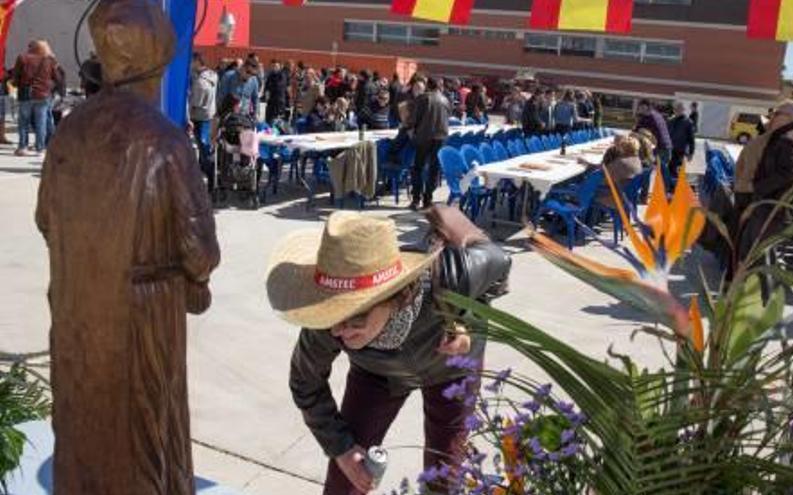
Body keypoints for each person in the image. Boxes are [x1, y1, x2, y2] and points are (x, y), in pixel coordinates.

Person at [37, 1, 220, 492]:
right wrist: (193, 281)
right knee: (145, 434)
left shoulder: (69, 131)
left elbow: (44, 220)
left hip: (76, 310)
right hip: (144, 319)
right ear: (159, 62)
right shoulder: (166, 140)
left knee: (83, 421)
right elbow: (200, 251)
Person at [267, 206, 511, 495]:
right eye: (333, 316)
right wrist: (342, 451)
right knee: (345, 481)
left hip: (450, 370)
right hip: (376, 375)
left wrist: (467, 328)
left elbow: (500, 266)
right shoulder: (326, 322)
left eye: (356, 317)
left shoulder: (450, 274)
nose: (338, 331)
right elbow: (305, 383)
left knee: (445, 477)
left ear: (395, 295)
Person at [736, 100, 793, 265]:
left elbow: (791, 171)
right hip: (774, 208)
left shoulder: (787, 139)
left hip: (771, 209)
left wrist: (757, 187)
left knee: (755, 259)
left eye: (777, 113)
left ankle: (754, 289)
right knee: (759, 257)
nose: (773, 117)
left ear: (790, 117)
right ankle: (752, 288)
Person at [13, 40, 62, 157]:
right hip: (43, 95)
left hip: (25, 94)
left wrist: (18, 84)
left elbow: (16, 76)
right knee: (41, 122)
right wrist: (50, 87)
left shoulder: (22, 58)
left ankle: (22, 147)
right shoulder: (50, 60)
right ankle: (40, 149)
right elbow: (58, 78)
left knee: (23, 122)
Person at [411, 77, 451, 210]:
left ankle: (416, 199)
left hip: (425, 136)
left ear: (428, 86)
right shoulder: (445, 99)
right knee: (434, 169)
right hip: (441, 137)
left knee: (418, 168)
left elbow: (415, 118)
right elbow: (448, 116)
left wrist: (412, 130)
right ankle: (428, 199)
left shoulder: (423, 98)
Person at [189, 52, 218, 185]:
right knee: (204, 147)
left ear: (197, 62)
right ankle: (206, 172)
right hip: (209, 115)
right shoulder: (213, 75)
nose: (190, 64)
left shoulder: (200, 81)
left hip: (199, 117)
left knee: (203, 148)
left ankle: (211, 177)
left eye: (192, 61)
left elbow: (196, 102)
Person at [596, 135, 643, 208]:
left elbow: (603, 176)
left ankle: (590, 218)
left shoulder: (621, 162)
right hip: (628, 195)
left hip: (616, 197)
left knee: (591, 191)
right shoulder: (637, 161)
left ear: (623, 149)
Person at [667, 101, 696, 178]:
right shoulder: (670, 121)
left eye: (680, 109)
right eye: (676, 109)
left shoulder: (688, 122)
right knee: (669, 169)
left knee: (676, 170)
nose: (677, 111)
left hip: (680, 150)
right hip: (670, 150)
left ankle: (675, 186)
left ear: (683, 110)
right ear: (674, 110)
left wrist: (691, 153)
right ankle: (670, 186)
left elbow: (691, 139)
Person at [263, 60, 290, 124]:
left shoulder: (282, 75)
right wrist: (266, 94)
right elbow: (266, 88)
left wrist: (269, 89)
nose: (274, 68)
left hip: (279, 104)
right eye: (273, 66)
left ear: (280, 67)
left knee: (277, 123)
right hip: (270, 103)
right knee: (268, 121)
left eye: (276, 66)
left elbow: (279, 87)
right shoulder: (270, 76)